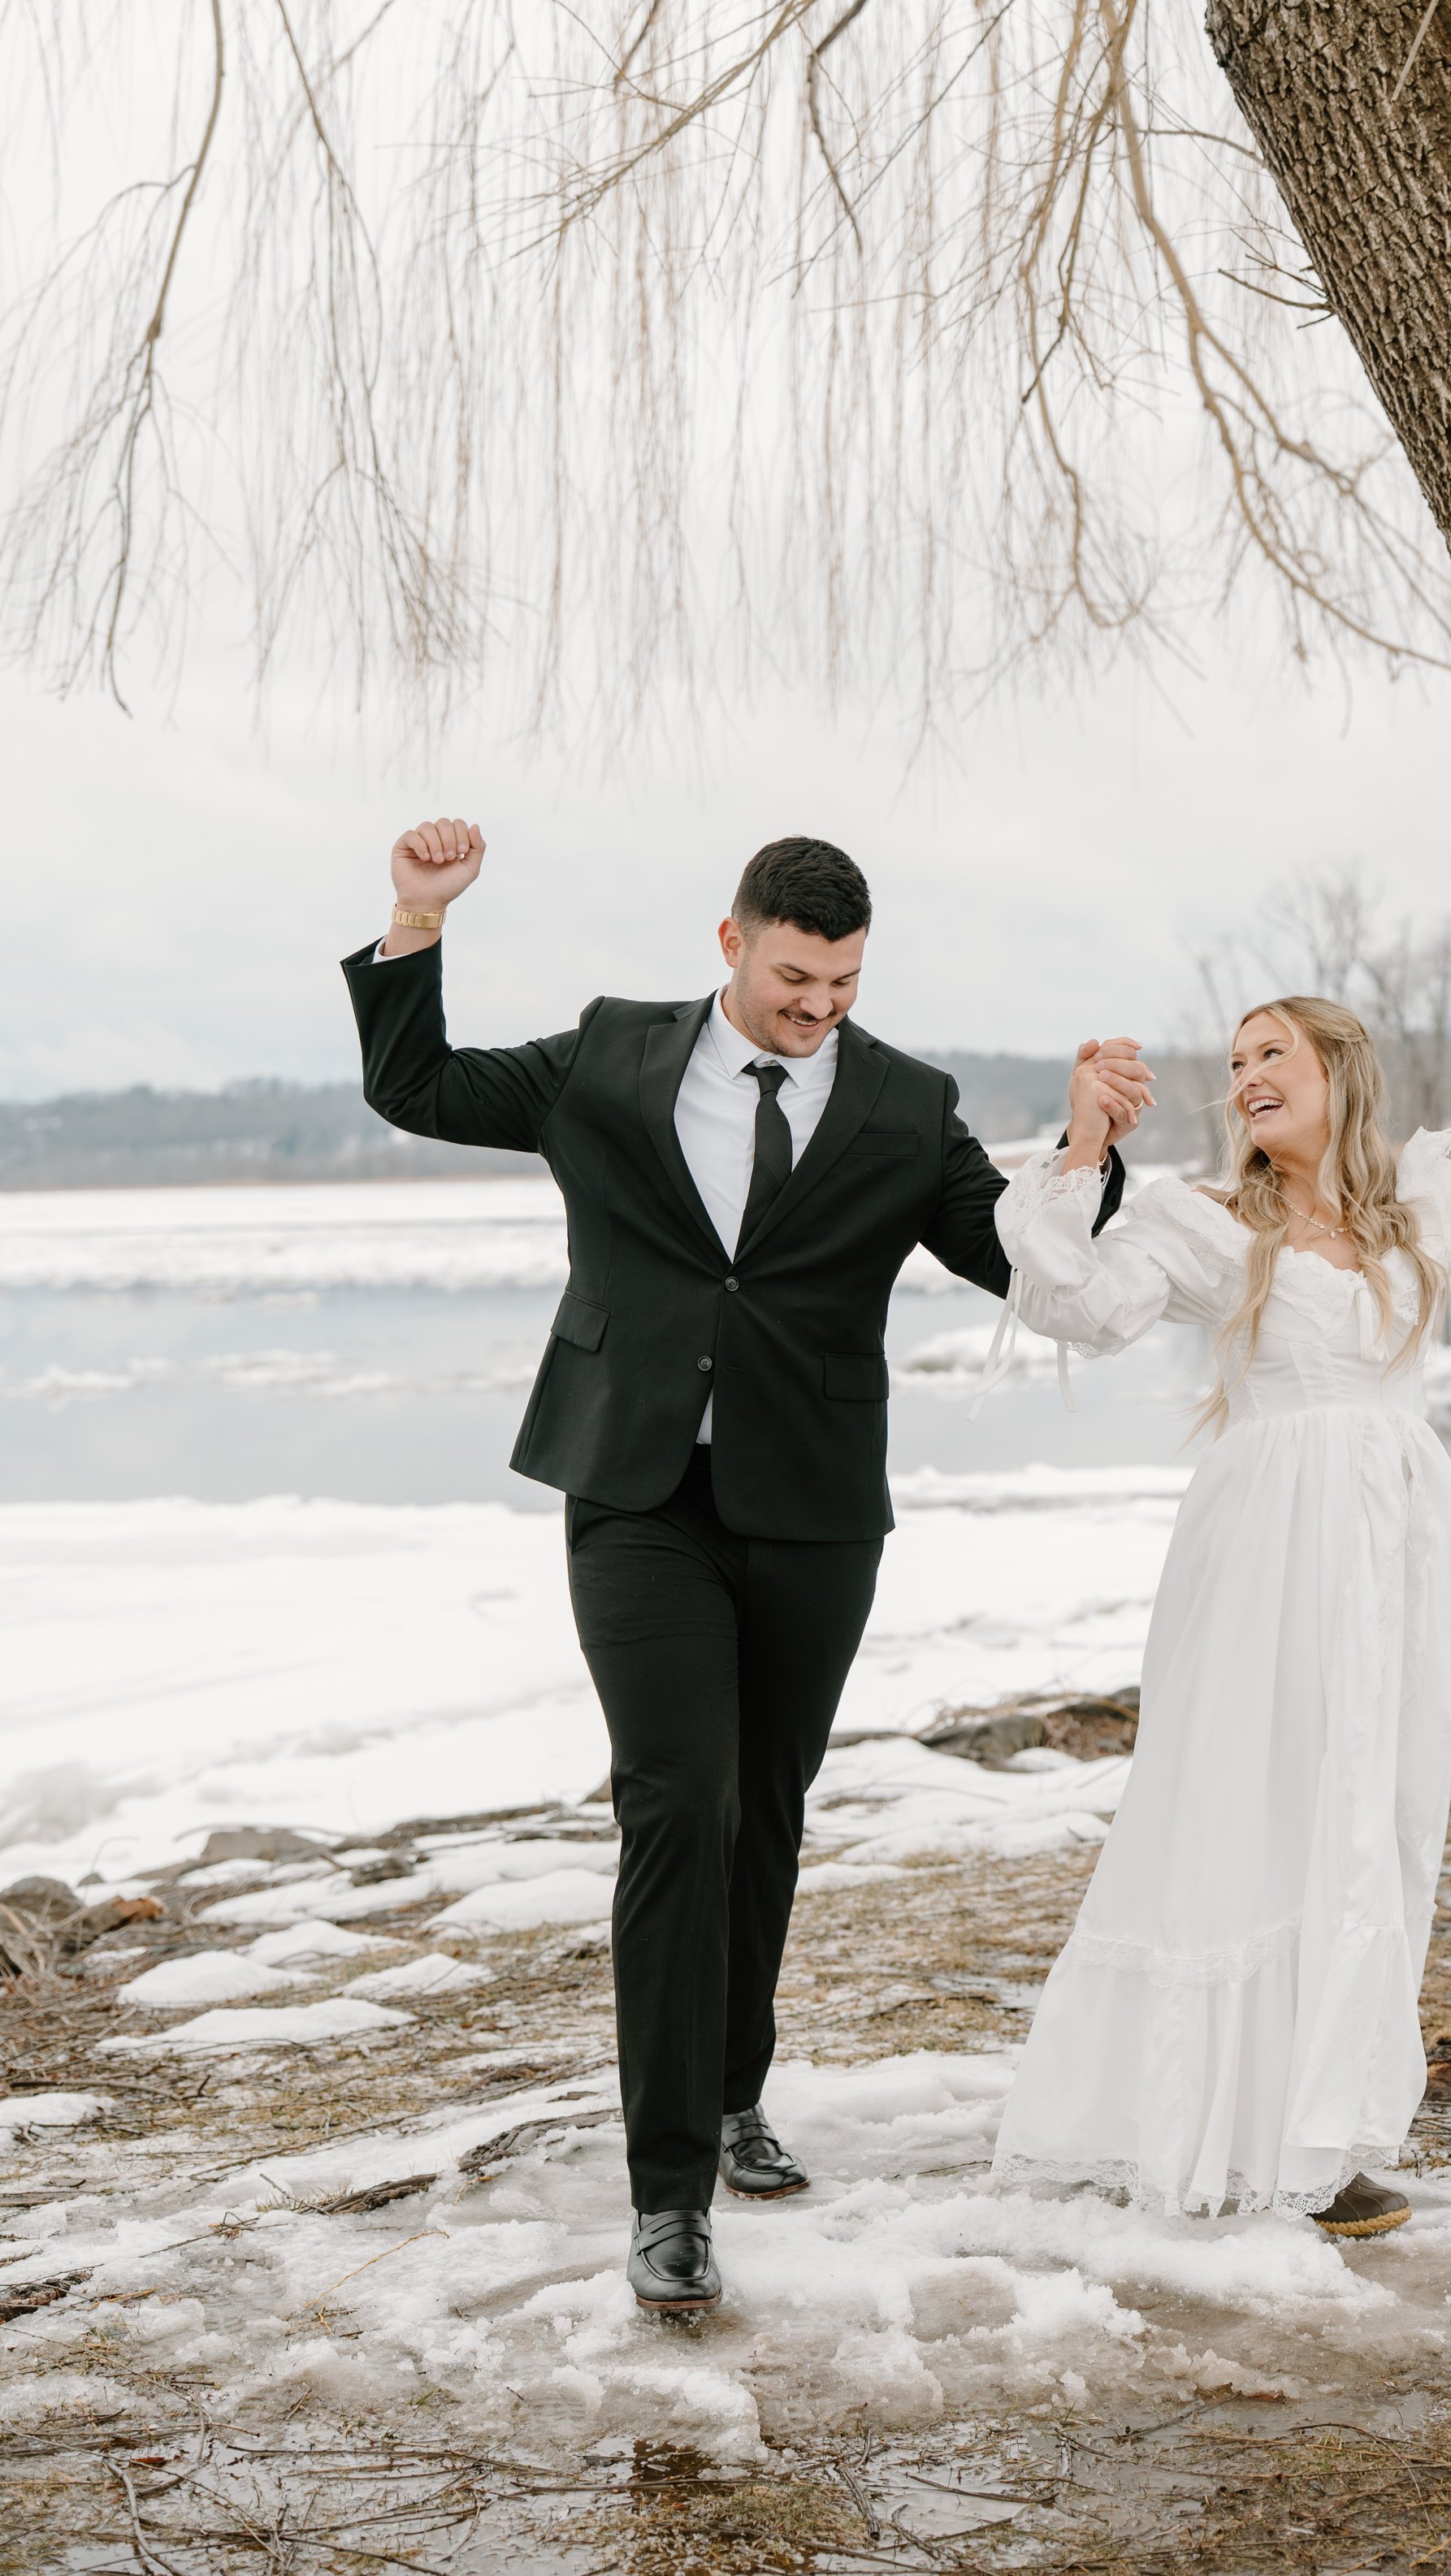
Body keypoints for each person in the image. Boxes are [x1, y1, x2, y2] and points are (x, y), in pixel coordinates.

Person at [344, 825, 1137, 2314]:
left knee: (765, 1806)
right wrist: (416, 919)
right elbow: (417, 1086)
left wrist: (1085, 1147)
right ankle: (667, 2193)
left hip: (815, 1504)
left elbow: (1027, 1261)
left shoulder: (907, 1104)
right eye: (793, 975)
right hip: (636, 1489)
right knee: (677, 1802)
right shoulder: (609, 1057)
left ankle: (729, 2092)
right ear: (731, 940)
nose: (816, 1006)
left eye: (840, 981)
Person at [985, 895, 1451, 2235]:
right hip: (1264, 1543)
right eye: (1233, 1063)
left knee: (1365, 1814)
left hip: (1388, 1541)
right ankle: (1197, 2125)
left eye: (1273, 1053)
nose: (1248, 1078)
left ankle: (1318, 2133)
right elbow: (1075, 1306)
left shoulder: (1428, 1207)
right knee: (1242, 1804)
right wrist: (1084, 1144)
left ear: (1340, 1073)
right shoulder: (1203, 1222)